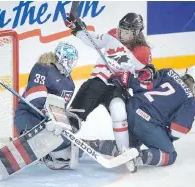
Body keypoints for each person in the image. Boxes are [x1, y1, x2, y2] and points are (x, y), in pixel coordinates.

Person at [65, 12, 154, 152]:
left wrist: (145, 75)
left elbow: (142, 80)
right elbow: (94, 39)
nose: (121, 34)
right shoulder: (112, 34)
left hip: (117, 89)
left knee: (120, 114)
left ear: (136, 33)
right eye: (121, 30)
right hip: (97, 82)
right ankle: (58, 143)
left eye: (126, 32)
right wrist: (77, 29)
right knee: (75, 116)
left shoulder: (143, 52)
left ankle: (125, 150)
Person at [96, 65, 195, 172]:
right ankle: (138, 157)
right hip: (146, 123)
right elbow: (177, 131)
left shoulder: (167, 73)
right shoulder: (190, 102)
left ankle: (94, 145)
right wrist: (164, 135)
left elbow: (143, 83)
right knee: (171, 155)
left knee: (129, 145)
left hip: (129, 107)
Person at [14, 42, 79, 169]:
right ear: (62, 58)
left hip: (48, 122)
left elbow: (60, 108)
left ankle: (47, 153)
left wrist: (62, 120)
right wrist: (47, 114)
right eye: (70, 61)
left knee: (66, 154)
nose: (72, 64)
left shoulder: (70, 84)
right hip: (28, 114)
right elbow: (34, 95)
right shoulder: (43, 67)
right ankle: (31, 143)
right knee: (49, 141)